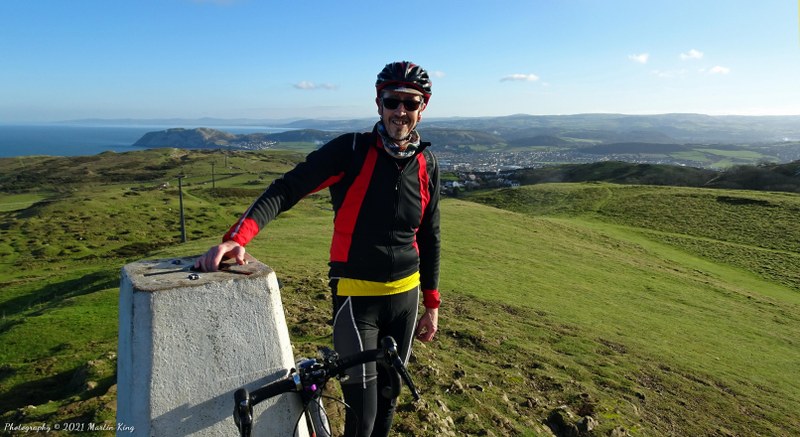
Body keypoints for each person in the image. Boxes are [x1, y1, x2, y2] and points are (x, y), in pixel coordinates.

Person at [195, 61, 441, 437]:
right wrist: (237, 238)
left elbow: (430, 235)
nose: (401, 112)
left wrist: (432, 305)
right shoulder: (351, 150)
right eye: (393, 102)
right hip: (356, 299)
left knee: (390, 403)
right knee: (364, 416)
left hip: (406, 298)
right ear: (379, 103)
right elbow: (287, 188)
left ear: (422, 108)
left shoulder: (427, 162)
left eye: (411, 103)